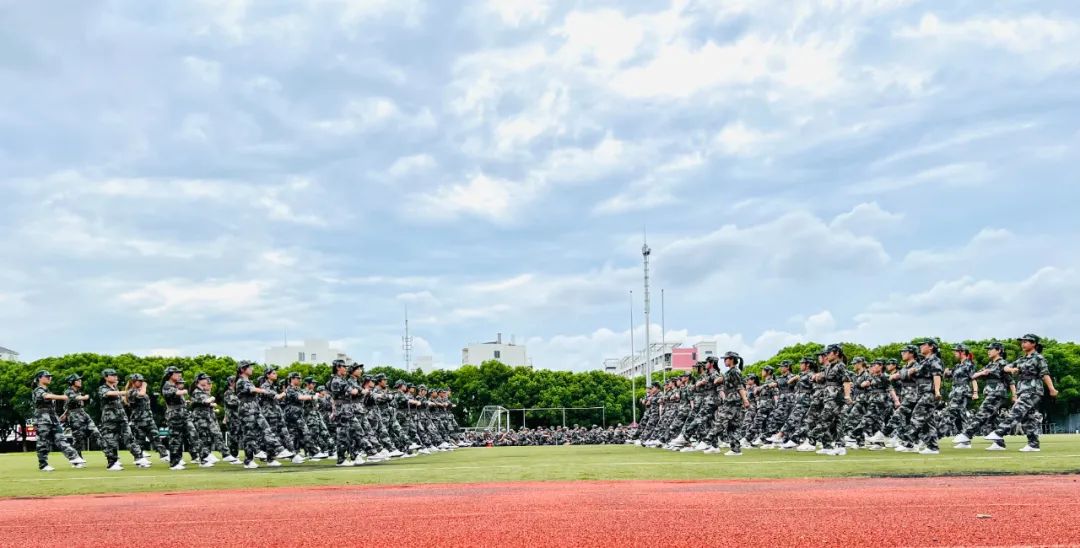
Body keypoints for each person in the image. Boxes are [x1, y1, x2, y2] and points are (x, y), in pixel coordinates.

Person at [985, 334, 1058, 452]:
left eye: (1026, 342)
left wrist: (1052, 389)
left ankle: (1000, 432)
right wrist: (1012, 369)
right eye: (1022, 342)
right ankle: (1033, 444)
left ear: (1034, 344)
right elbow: (1005, 368)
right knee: (1028, 418)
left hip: (1033, 390)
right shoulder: (1021, 359)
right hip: (1022, 390)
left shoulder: (1038, 358)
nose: (1022, 344)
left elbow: (1045, 374)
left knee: (1017, 410)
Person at [954, 342, 1014, 449]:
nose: (988, 351)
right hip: (989, 392)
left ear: (999, 351)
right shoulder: (990, 365)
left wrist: (1014, 395)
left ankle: (967, 435)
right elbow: (973, 375)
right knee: (991, 418)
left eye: (991, 349)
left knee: (982, 412)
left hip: (997, 392)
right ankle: (999, 443)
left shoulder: (1002, 363)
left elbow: (1010, 380)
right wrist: (982, 373)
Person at [31, 371, 85, 471]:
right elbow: (46, 396)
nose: (49, 378)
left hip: (52, 418)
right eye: (47, 376)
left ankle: (74, 457)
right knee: (43, 442)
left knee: (61, 438)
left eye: (50, 377)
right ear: (39, 378)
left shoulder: (48, 390)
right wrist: (62, 397)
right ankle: (43, 464)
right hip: (42, 419)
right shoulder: (38, 390)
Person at [97, 368, 150, 470]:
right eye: (112, 375)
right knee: (111, 441)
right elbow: (108, 394)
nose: (115, 377)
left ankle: (139, 457)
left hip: (121, 418)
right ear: (106, 377)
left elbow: (121, 399)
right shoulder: (103, 388)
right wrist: (126, 392)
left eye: (115, 375)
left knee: (129, 437)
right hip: (110, 419)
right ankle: (112, 463)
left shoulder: (115, 388)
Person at [808, 344, 852, 456]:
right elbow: (824, 378)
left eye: (829, 352)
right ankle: (839, 446)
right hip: (828, 398)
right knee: (837, 422)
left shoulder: (840, 366)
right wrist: (817, 377)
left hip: (836, 398)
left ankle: (810, 439)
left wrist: (847, 396)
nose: (826, 355)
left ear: (836, 353)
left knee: (824, 419)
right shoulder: (829, 367)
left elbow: (846, 381)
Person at [902, 339, 944, 455]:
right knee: (927, 422)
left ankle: (909, 441)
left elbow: (937, 375)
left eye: (923, 345)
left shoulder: (935, 360)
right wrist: (912, 371)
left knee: (917, 416)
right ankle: (932, 447)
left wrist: (937, 391)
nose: (920, 347)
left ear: (931, 347)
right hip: (921, 392)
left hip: (929, 393)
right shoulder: (924, 361)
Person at [705, 351, 750, 456]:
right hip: (731, 400)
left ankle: (707, 439)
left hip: (733, 401)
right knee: (732, 426)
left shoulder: (734, 372)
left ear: (732, 359)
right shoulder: (730, 372)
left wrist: (745, 400)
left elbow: (740, 387)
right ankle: (735, 449)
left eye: (726, 359)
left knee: (720, 420)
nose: (724, 361)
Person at [161, 366, 204, 470]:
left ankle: (203, 457)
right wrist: (183, 391)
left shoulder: (174, 385)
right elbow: (174, 393)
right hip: (174, 414)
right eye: (176, 373)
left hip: (183, 414)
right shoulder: (167, 385)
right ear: (170, 375)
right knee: (176, 439)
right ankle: (175, 463)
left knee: (193, 434)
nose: (179, 375)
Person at [190, 373, 236, 465]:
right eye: (205, 379)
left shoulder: (202, 391)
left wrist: (211, 403)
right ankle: (206, 459)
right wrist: (212, 398)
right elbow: (206, 401)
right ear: (199, 381)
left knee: (212, 436)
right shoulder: (197, 392)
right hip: (200, 419)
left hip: (207, 417)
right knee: (206, 438)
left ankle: (223, 454)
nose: (207, 381)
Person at [126, 373, 169, 462]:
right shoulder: (131, 391)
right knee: (140, 440)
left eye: (142, 381)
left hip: (148, 419)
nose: (142, 383)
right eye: (139, 381)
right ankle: (139, 458)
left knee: (156, 437)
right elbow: (141, 394)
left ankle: (164, 455)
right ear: (133, 382)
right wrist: (144, 386)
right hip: (138, 420)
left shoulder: (141, 391)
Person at [941, 344, 978, 437]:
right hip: (955, 391)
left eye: (956, 351)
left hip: (962, 391)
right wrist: (946, 373)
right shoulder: (958, 366)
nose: (955, 353)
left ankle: (939, 434)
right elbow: (949, 375)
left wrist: (975, 392)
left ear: (963, 352)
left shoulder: (968, 365)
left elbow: (973, 378)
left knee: (950, 412)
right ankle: (965, 435)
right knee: (960, 415)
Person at [62, 374, 102, 458]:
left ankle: (110, 454)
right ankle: (77, 458)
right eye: (78, 380)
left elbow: (69, 405)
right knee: (78, 438)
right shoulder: (68, 391)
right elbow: (75, 398)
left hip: (83, 413)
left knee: (95, 432)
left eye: (80, 380)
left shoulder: (78, 391)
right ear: (72, 382)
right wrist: (84, 397)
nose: (80, 381)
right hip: (74, 415)